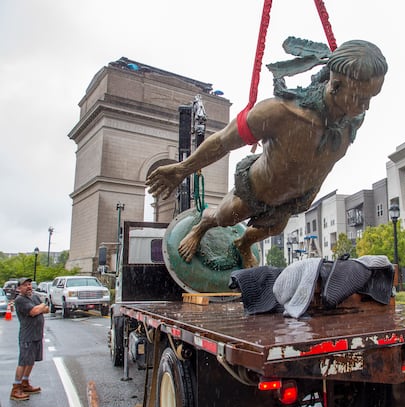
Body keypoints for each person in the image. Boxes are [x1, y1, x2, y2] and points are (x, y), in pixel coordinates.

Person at [147, 39, 388, 268]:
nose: (365, 107)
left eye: (371, 99)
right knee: (224, 217)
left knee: (272, 229)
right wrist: (182, 169)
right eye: (361, 98)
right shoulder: (279, 113)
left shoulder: (352, 121)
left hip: (292, 200)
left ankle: (243, 244)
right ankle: (200, 228)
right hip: (257, 188)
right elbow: (222, 141)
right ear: (335, 85)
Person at [10, 277, 49, 401]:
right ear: (19, 288)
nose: (29, 286)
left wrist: (41, 308)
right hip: (27, 335)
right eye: (25, 285)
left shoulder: (34, 297)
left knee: (31, 361)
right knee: (23, 361)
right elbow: (34, 311)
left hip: (37, 334)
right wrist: (42, 306)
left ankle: (25, 383)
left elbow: (46, 310)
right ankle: (16, 387)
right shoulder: (20, 300)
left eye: (30, 284)